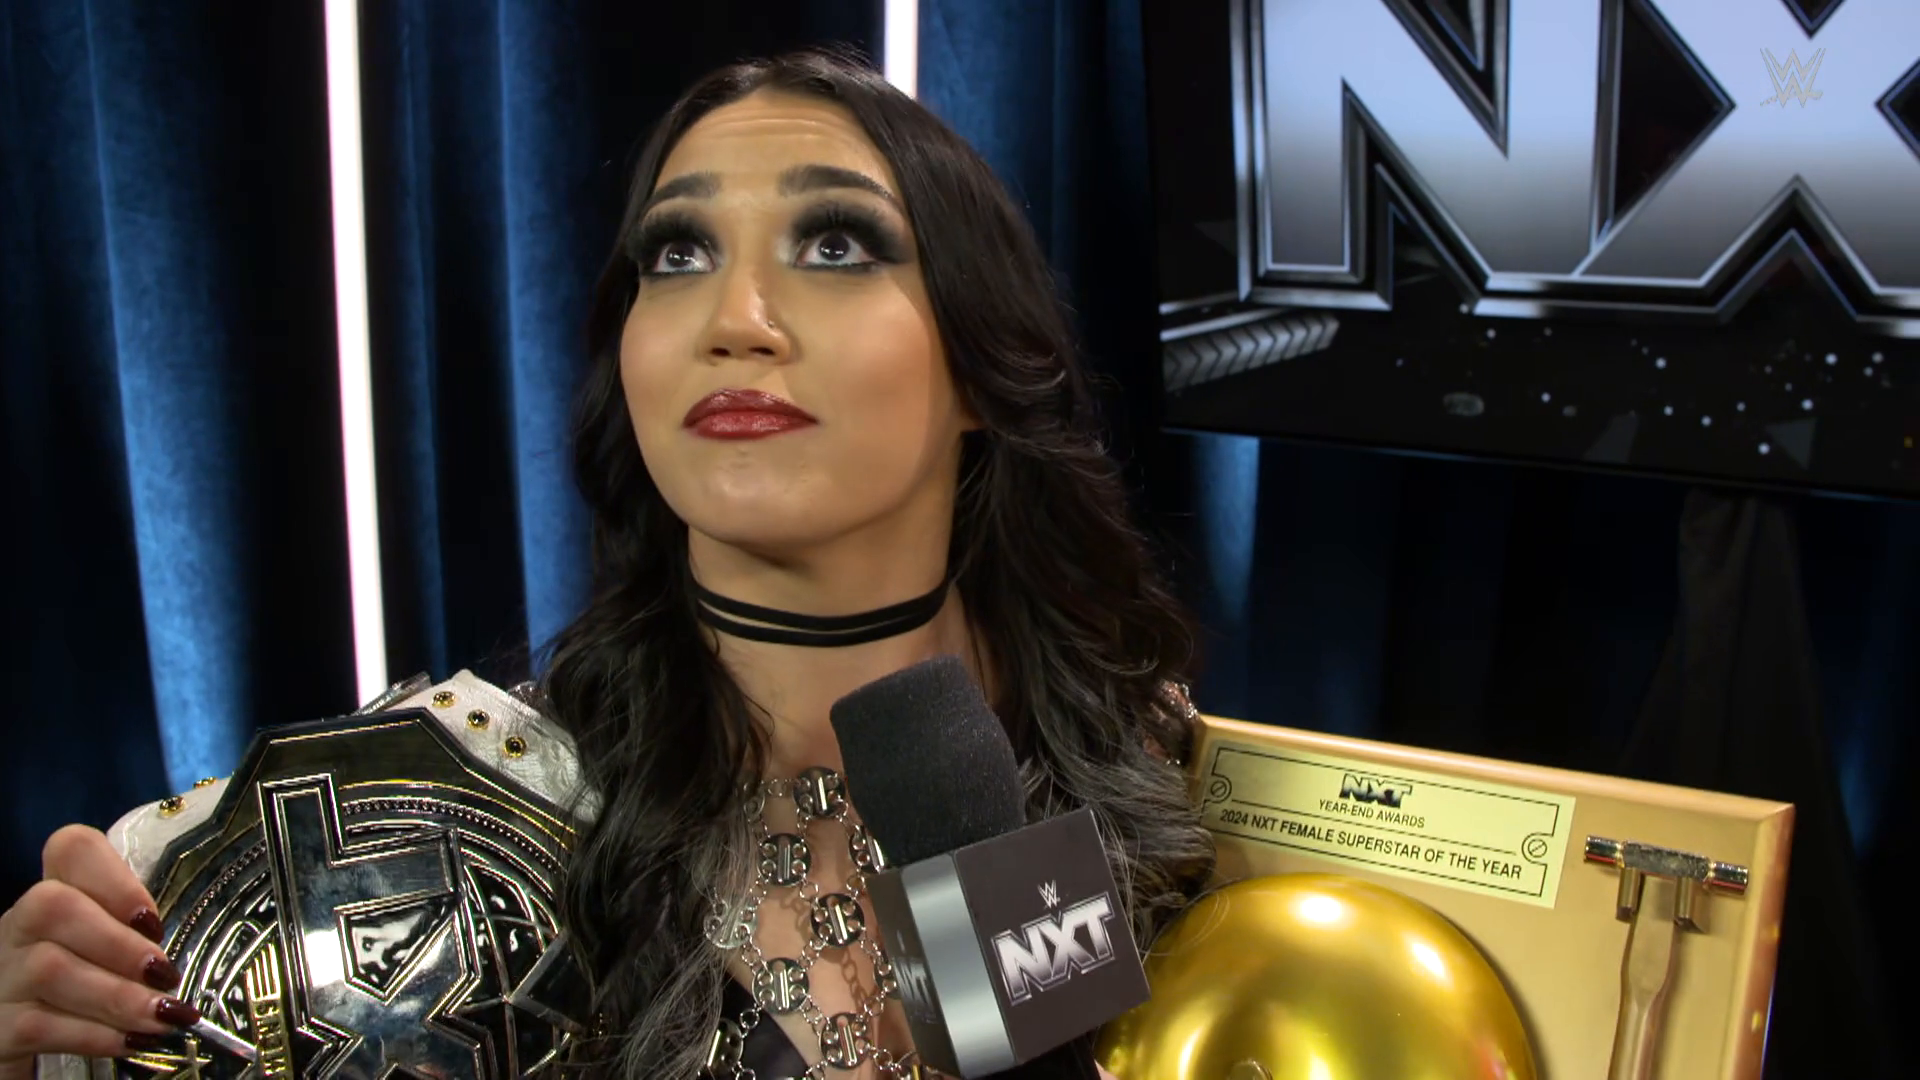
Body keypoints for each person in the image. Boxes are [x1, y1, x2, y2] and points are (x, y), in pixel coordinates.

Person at [0, 48, 1213, 1079]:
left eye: (836, 242)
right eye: (676, 255)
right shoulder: (407, 842)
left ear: (982, 363)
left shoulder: (1172, 794)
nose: (735, 318)